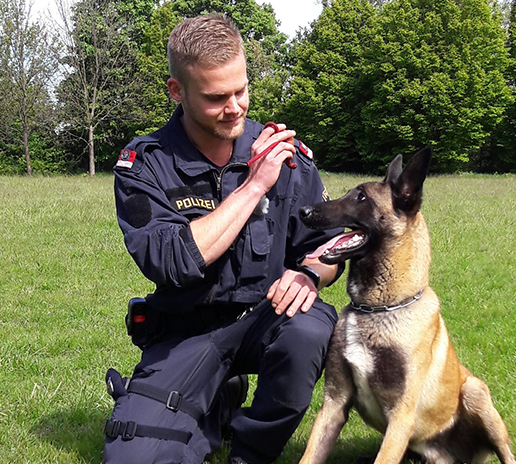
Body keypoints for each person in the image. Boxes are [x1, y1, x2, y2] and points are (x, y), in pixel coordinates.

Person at [103, 13, 344, 464]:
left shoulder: (283, 155)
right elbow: (172, 261)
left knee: (308, 329)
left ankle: (250, 451)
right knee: (136, 458)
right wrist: (254, 186)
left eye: (241, 90)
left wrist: (311, 273)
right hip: (186, 330)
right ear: (178, 91)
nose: (234, 107)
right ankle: (215, 399)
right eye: (216, 97)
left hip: (267, 319)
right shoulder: (147, 164)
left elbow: (328, 244)